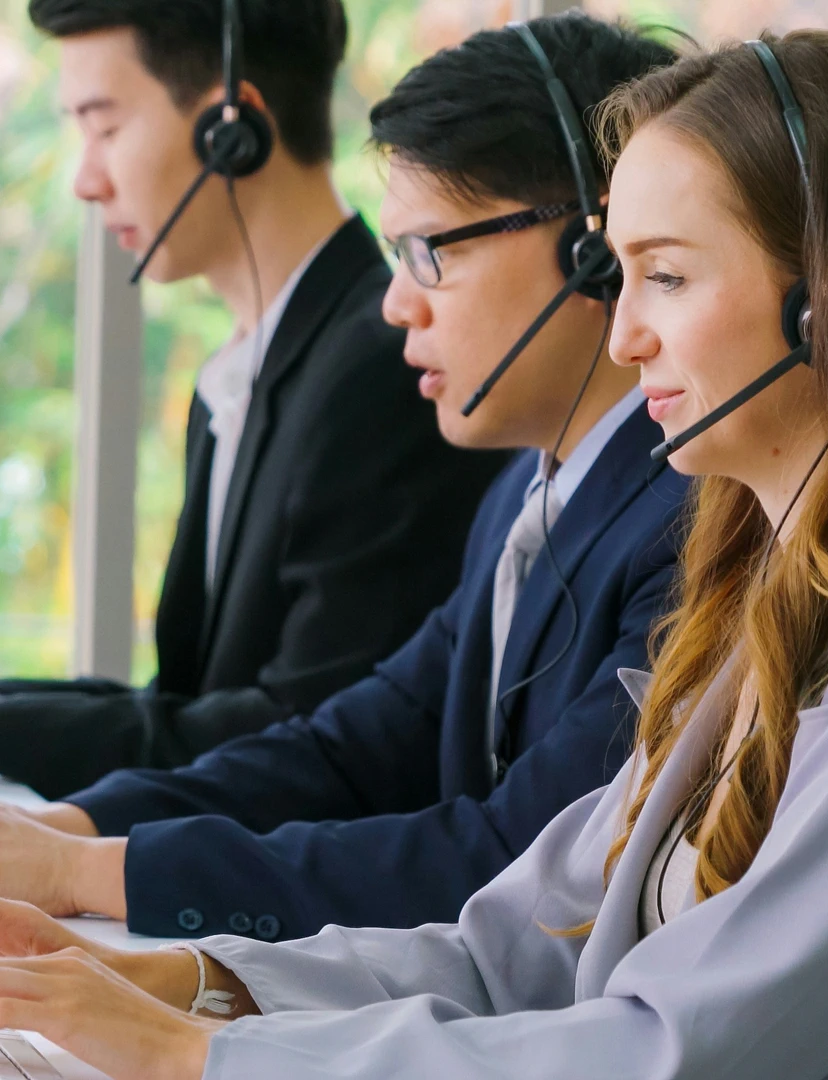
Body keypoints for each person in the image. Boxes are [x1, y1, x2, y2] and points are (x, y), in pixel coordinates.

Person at [0, 13, 687, 943]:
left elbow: (510, 855)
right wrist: (63, 833)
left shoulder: (690, 528)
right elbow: (347, 748)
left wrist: (88, 872)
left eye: (428, 254)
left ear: (592, 253)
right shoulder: (521, 501)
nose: (397, 303)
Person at [0, 0, 507, 799]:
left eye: (104, 128)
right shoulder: (246, 372)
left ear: (229, 129)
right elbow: (187, 709)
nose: (85, 179)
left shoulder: (383, 376)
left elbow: (296, 731)